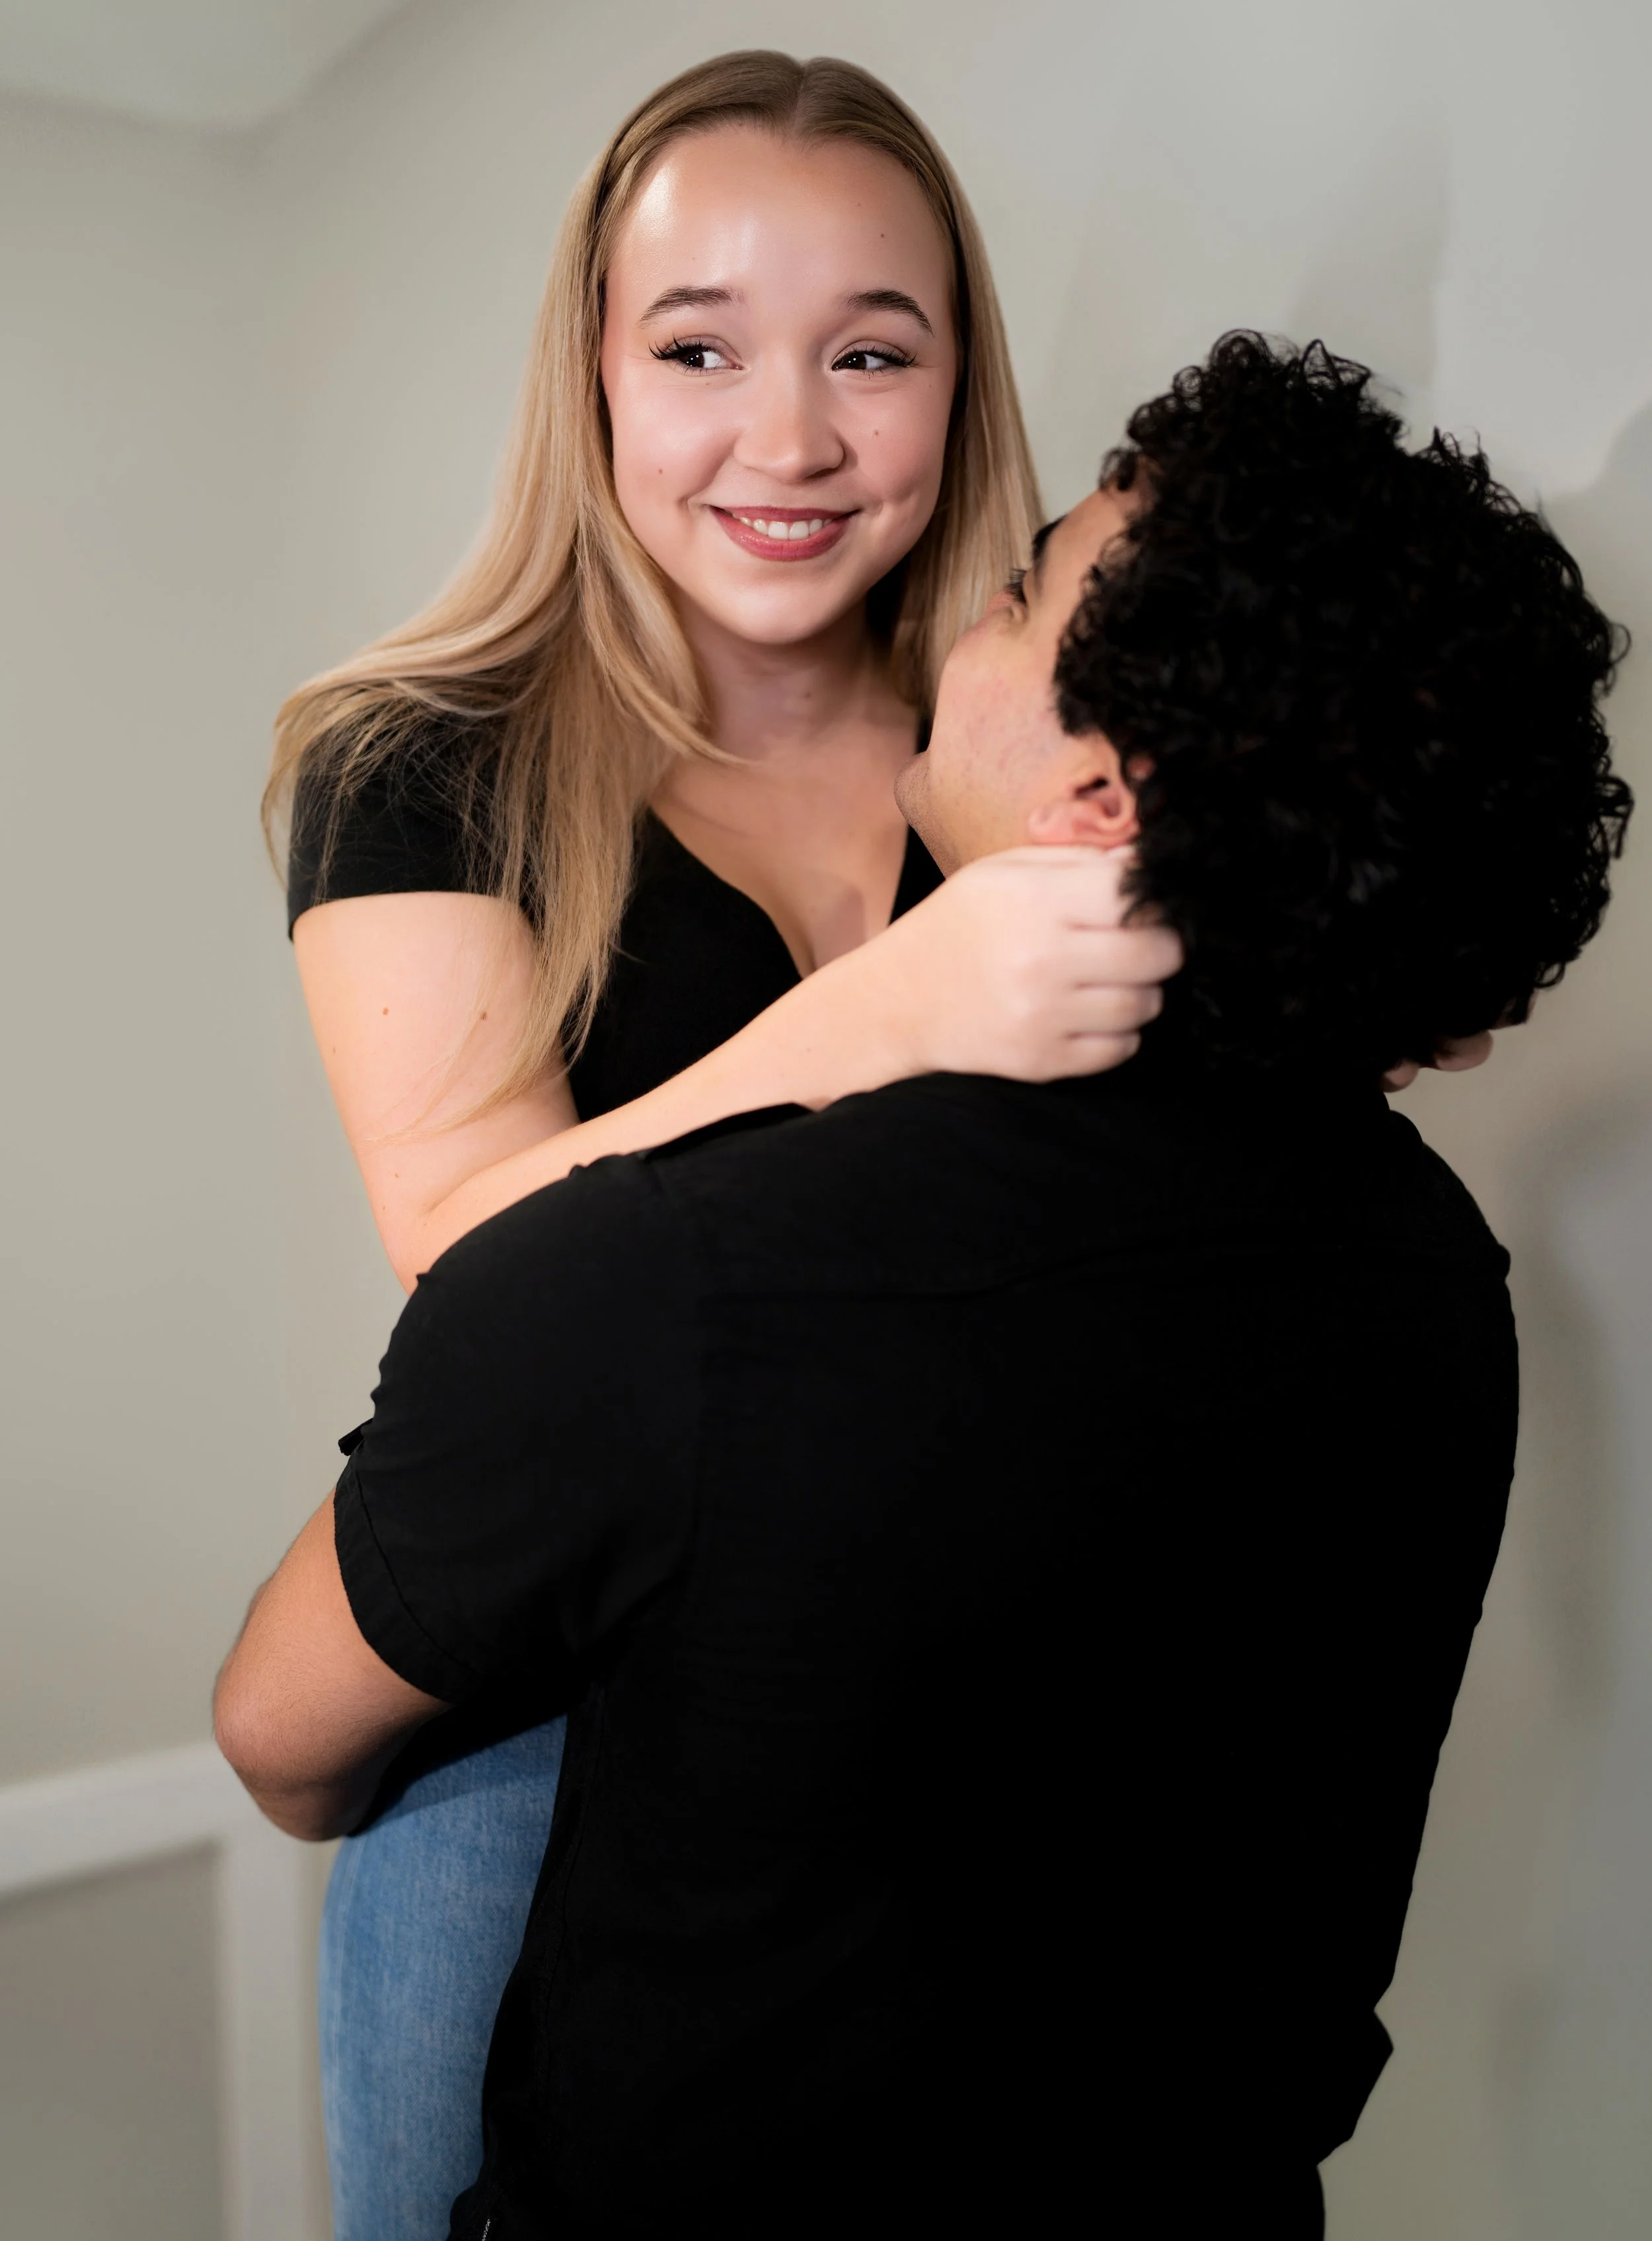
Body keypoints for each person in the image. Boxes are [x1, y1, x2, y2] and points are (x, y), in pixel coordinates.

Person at [225, 334, 1630, 2236]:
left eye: (1018, 591)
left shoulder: (663, 1274)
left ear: (1099, 802)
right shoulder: (1427, 1286)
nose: (961, 625)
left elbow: (281, 1740)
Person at [269, 52, 1182, 2238]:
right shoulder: (425, 758)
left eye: (872, 351)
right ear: (590, 376)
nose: (786, 440)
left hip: (963, 1687)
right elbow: (470, 1262)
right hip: (545, 1716)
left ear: (957, 387)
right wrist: (883, 1012)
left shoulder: (1026, 740)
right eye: (697, 351)